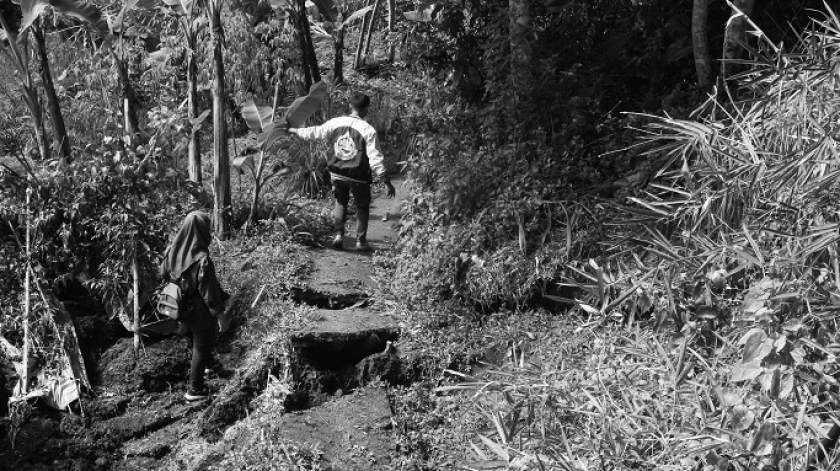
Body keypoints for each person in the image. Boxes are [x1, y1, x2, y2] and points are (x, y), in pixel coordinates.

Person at [289, 92, 396, 251]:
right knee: (362, 207)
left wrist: (295, 130)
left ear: (350, 106)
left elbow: (315, 132)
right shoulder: (368, 130)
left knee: (340, 202)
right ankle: (361, 242)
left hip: (337, 172)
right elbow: (375, 157)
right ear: (366, 109)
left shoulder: (336, 122)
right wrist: (385, 181)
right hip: (359, 176)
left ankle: (338, 235)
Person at [160, 211, 229, 401]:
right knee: (202, 343)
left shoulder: (172, 250)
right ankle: (195, 389)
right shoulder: (201, 259)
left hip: (181, 304)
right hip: (199, 307)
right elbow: (209, 292)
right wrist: (220, 315)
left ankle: (208, 365)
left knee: (196, 339)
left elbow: (163, 273)